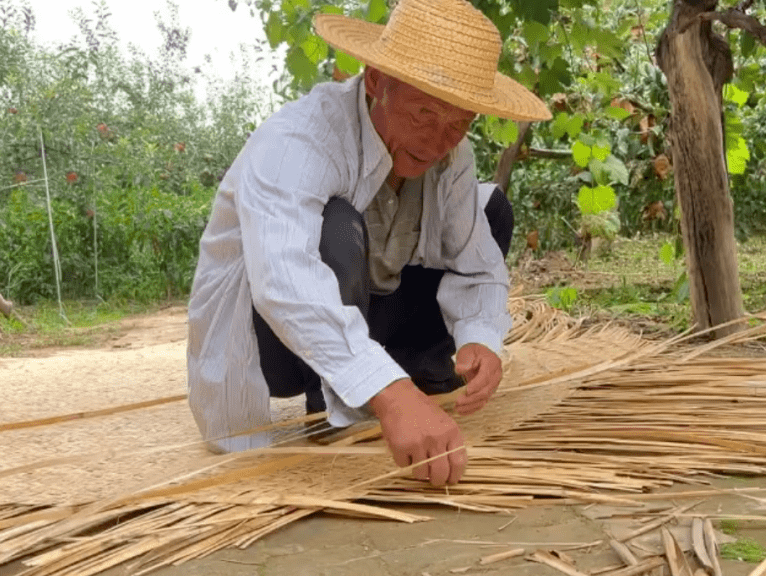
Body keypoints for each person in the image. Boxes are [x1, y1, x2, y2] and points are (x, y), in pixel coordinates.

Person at [185, 0, 550, 487]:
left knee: (491, 210)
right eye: (423, 114)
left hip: (373, 312)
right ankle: (342, 400)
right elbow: (284, 280)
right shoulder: (301, 138)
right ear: (376, 81)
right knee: (335, 225)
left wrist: (481, 337)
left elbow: (475, 261)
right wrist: (391, 395)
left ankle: (418, 372)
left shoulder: (451, 154)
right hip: (277, 343)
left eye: (457, 124)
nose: (437, 141)